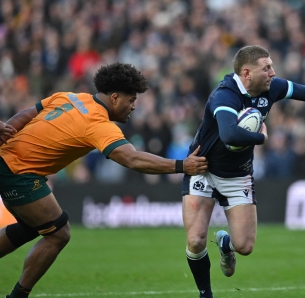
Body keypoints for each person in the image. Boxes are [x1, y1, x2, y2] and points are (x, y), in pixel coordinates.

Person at [0, 62, 208, 298]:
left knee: (30, 228)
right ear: (116, 97)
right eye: (131, 100)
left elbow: (27, 114)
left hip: (6, 161)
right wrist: (182, 165)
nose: (133, 107)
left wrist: (6, 133)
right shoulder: (98, 123)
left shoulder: (70, 97)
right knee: (59, 234)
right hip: (19, 173)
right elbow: (132, 159)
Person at [181, 45, 305, 298]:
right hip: (202, 167)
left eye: (271, 66)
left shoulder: (271, 88)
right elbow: (229, 135)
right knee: (195, 240)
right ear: (247, 73)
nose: (273, 72)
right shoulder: (225, 95)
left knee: (245, 246)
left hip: (237, 174)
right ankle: (206, 294)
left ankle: (226, 244)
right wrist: (261, 138)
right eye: (267, 68)